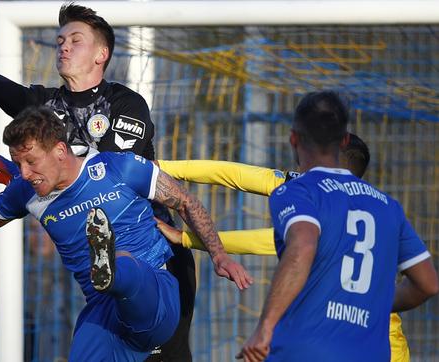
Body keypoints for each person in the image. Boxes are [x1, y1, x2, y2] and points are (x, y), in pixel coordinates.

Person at [0, 107, 252, 361]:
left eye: (30, 161)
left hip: (156, 289)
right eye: (18, 162)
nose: (22, 173)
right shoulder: (28, 192)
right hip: (104, 315)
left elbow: (185, 201)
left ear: (59, 150)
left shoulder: (117, 168)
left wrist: (217, 254)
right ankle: (108, 267)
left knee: (128, 269)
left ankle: (112, 262)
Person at [0, 3, 198, 359]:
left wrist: (40, 171)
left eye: (76, 39)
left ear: (101, 54)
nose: (64, 46)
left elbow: (102, 171)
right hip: (96, 262)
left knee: (165, 354)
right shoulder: (44, 105)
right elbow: (3, 93)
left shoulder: (125, 104)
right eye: (59, 40)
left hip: (155, 255)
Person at [154, 133, 414, 361]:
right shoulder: (375, 208)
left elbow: (265, 241)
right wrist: (160, 169)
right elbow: (237, 174)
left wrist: (188, 238)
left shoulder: (324, 207)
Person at [232, 91, 438, 361]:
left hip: (304, 350)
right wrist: (371, 302)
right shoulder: (387, 206)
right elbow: (428, 284)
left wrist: (265, 327)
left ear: (294, 138)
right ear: (343, 141)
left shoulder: (297, 191)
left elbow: (304, 244)